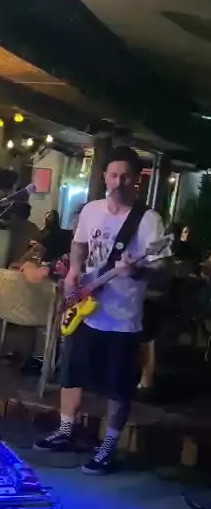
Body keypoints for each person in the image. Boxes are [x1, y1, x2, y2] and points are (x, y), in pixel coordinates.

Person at [35, 145, 167, 475]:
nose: (119, 182)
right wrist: (74, 271)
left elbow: (161, 266)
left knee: (119, 387)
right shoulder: (92, 210)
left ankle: (108, 446)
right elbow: (79, 243)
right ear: (105, 177)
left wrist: (136, 271)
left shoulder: (148, 220)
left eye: (126, 176)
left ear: (137, 180)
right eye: (114, 175)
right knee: (71, 373)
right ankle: (65, 430)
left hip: (123, 318)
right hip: (86, 308)